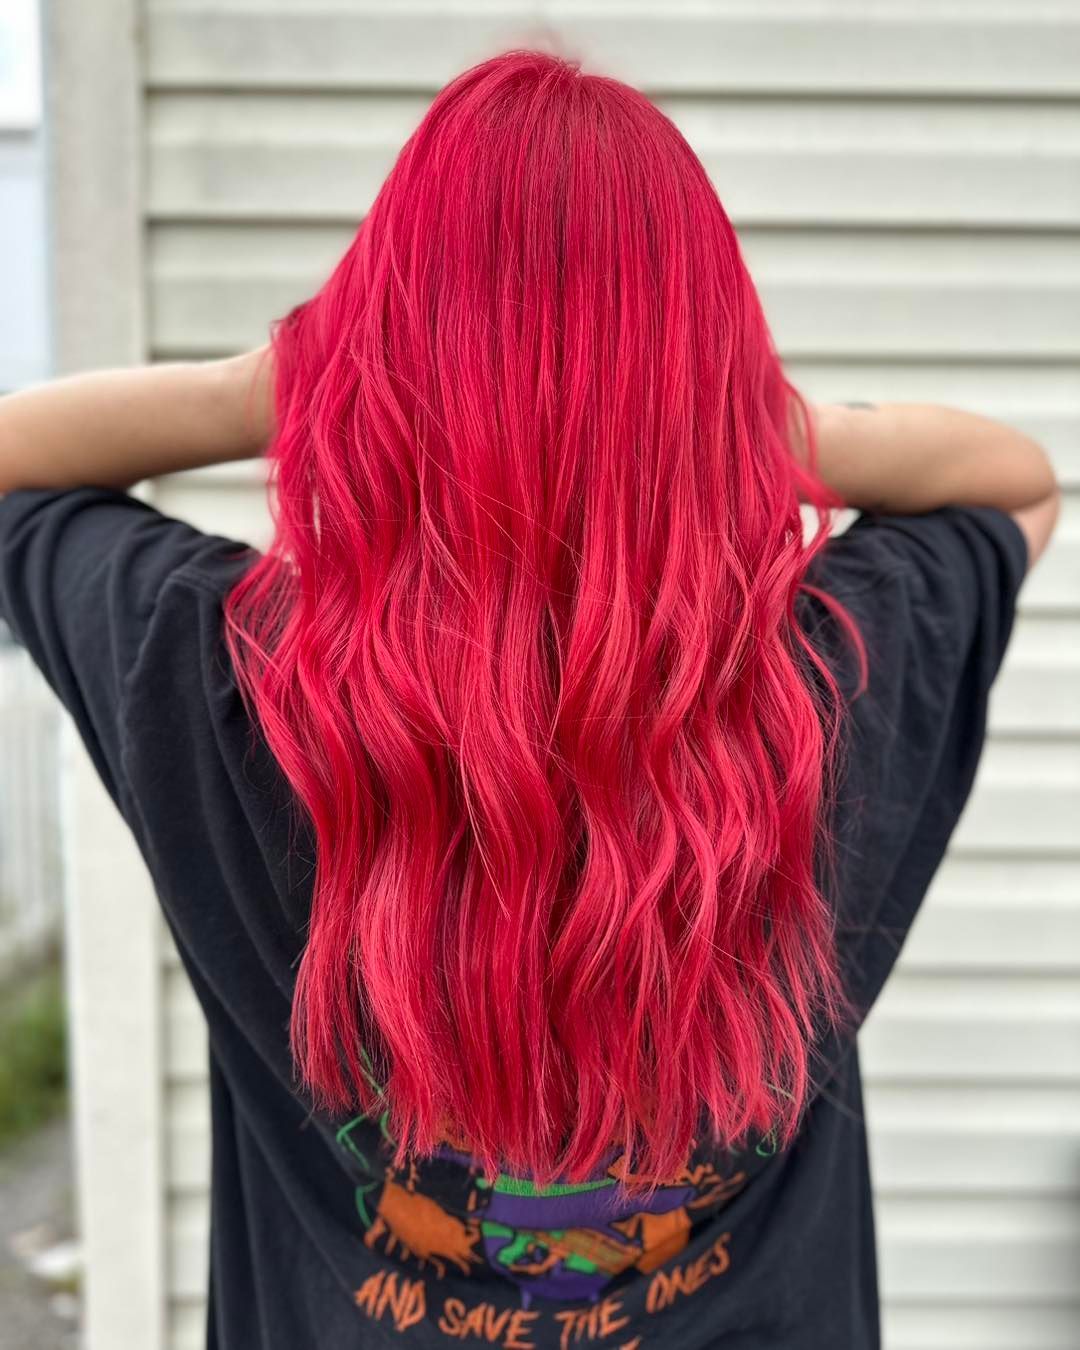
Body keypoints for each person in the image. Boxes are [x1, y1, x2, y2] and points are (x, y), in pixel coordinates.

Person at [0, 49, 1060, 1350]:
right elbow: (1015, 484)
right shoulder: (826, 688)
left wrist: (285, 385)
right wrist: (722, 411)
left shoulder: (222, 677)